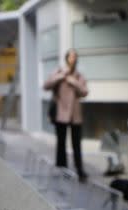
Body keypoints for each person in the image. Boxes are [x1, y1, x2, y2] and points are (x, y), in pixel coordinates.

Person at [44, 49, 89, 182]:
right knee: (61, 143)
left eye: (75, 57)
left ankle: (80, 169)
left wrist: (73, 81)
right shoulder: (59, 72)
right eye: (71, 57)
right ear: (66, 58)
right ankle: (62, 169)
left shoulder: (79, 76)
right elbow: (46, 85)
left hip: (75, 115)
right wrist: (61, 76)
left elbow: (85, 92)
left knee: (77, 144)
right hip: (61, 113)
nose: (73, 59)